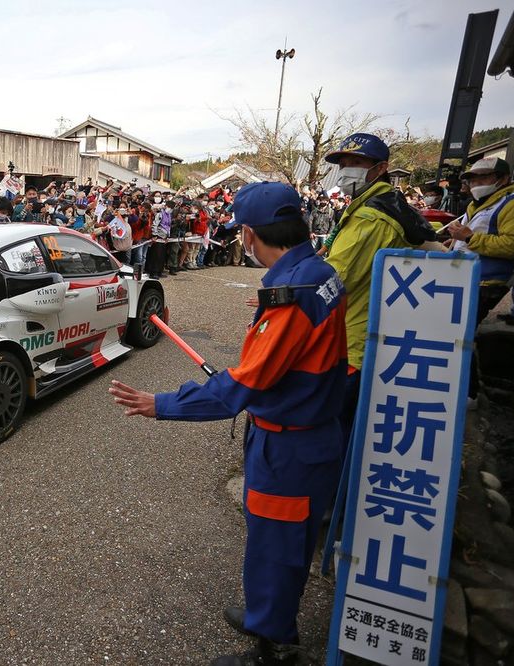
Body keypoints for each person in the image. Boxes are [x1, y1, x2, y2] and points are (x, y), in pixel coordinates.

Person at [109, 183, 347, 666]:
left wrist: (163, 404)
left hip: (289, 448)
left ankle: (275, 647)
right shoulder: (318, 272)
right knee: (281, 544)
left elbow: (243, 386)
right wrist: (268, 321)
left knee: (276, 550)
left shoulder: (292, 294)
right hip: (309, 434)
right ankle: (268, 615)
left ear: (249, 233)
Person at [323, 133, 416, 446]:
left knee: (335, 430)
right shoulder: (370, 205)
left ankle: (333, 493)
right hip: (361, 329)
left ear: (380, 168)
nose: (347, 170)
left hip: (352, 341)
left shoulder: (372, 216)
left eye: (357, 163)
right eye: (344, 164)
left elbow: (335, 279)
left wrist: (284, 296)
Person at [445, 157, 514, 325]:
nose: (477, 184)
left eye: (483, 178)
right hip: (465, 275)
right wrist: (456, 241)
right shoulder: (477, 203)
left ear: (503, 179)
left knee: (460, 326)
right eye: (473, 180)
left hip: (487, 281)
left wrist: (469, 238)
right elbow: (478, 230)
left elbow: (513, 245)